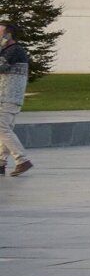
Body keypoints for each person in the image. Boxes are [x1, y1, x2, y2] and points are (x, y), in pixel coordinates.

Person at [0, 22, 32, 177]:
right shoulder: (8, 50)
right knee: (4, 129)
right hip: (7, 96)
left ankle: (22, 160)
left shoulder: (14, 50)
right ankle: (0, 163)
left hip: (8, 96)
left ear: (8, 35)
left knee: (1, 128)